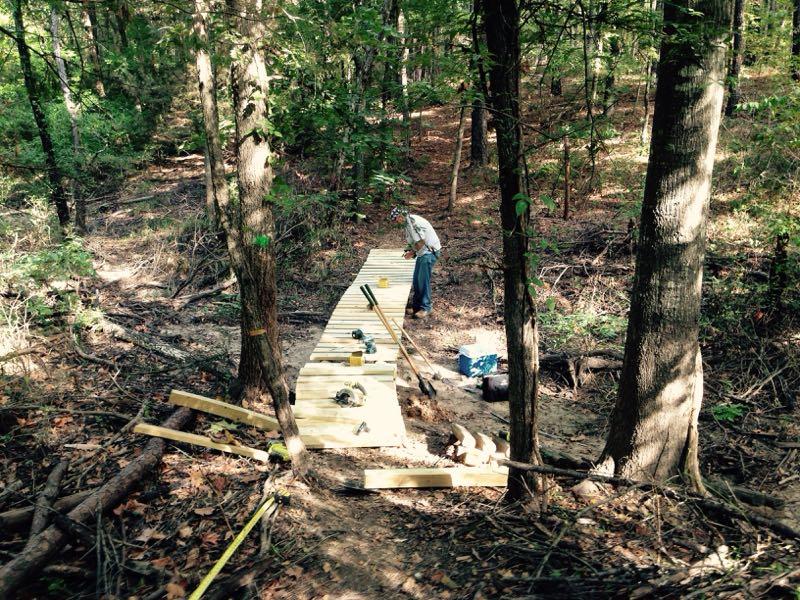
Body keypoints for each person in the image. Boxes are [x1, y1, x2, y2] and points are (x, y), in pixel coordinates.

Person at [389, 206, 442, 319]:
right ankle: (416, 306)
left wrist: (412, 252)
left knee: (423, 281)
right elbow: (414, 240)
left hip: (429, 253)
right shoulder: (407, 223)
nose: (396, 222)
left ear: (400, 216)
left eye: (396, 219)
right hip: (423, 253)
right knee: (416, 280)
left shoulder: (413, 223)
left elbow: (421, 241)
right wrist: (409, 249)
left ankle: (426, 308)